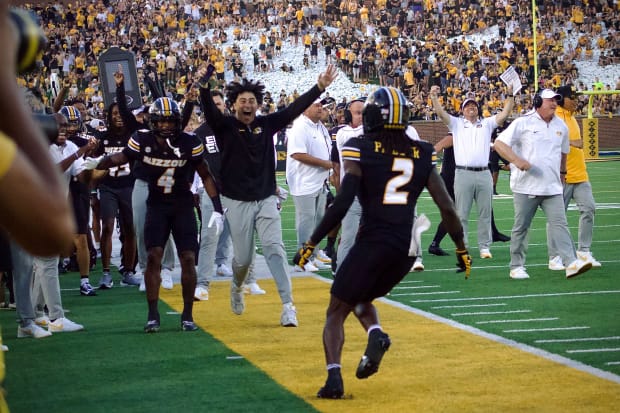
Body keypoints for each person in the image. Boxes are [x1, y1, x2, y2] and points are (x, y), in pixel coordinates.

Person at [294, 87, 471, 399]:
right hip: (407, 248)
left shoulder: (359, 146)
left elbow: (344, 200)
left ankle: (334, 379)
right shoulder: (422, 151)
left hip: (373, 241)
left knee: (335, 311)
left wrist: (312, 242)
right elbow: (447, 208)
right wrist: (461, 247)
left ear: (373, 116)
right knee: (361, 297)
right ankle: (375, 333)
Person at [198, 63, 338, 327]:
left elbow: (293, 109)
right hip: (236, 202)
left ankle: (288, 306)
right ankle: (237, 287)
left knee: (275, 249)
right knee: (243, 258)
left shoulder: (266, 124)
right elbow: (208, 110)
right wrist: (204, 87)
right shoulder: (225, 126)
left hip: (264, 199)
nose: (248, 105)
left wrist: (319, 87)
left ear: (258, 104)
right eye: (243, 101)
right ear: (234, 105)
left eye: (252, 101)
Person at [84, 97, 224, 332]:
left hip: (182, 205)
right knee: (153, 257)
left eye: (171, 122)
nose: (167, 126)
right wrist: (100, 162)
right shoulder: (142, 139)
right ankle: (152, 314)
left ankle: (188, 314)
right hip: (157, 204)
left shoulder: (190, 141)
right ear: (153, 121)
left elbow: (206, 174)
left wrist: (218, 208)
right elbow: (122, 157)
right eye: (163, 121)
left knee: (188, 258)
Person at [494, 89, 593, 280]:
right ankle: (516, 265)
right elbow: (499, 144)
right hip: (526, 186)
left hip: (552, 186)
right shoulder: (523, 122)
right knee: (521, 226)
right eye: (550, 101)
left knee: (560, 223)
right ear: (538, 101)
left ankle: (570, 262)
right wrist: (516, 160)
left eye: (556, 100)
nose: (555, 104)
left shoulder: (561, 126)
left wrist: (563, 173)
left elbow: (563, 152)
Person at [191, 89, 265, 300]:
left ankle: (250, 281)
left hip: (238, 192)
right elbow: (198, 164)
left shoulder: (238, 128)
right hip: (212, 190)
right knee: (208, 238)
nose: (217, 107)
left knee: (245, 239)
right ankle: (203, 284)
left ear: (226, 105)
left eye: (219, 103)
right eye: (212, 104)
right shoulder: (200, 133)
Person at [429, 85, 514, 259]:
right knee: (462, 213)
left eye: (473, 105)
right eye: (467, 106)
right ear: (462, 110)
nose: (471, 108)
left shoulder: (487, 123)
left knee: (484, 212)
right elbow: (441, 114)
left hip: (483, 173)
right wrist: (434, 96)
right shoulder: (457, 124)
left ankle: (484, 247)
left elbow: (505, 114)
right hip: (463, 173)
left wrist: (510, 94)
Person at [428, 133, 511, 256]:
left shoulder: (470, 139)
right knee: (454, 213)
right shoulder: (454, 136)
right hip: (451, 179)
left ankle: (494, 232)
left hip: (463, 178)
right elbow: (436, 148)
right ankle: (435, 244)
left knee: (485, 204)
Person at [547, 85, 601, 270]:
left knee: (589, 209)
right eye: (572, 97)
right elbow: (551, 140)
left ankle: (584, 251)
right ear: (561, 99)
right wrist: (572, 142)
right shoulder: (555, 118)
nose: (576, 100)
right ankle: (554, 257)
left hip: (580, 174)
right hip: (562, 176)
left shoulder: (571, 117)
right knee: (556, 217)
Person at [91, 90, 140, 289]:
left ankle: (128, 270)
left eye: (121, 114)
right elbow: (94, 164)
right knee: (108, 227)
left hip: (129, 185)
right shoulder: (102, 138)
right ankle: (105, 272)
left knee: (130, 229)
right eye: (115, 114)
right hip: (108, 186)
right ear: (109, 117)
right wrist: (93, 191)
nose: (118, 117)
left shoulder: (133, 135)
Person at [286, 97, 332, 272]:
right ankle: (302, 259)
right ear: (305, 108)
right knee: (306, 221)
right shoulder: (300, 127)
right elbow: (298, 154)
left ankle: (313, 254)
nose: (321, 108)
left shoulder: (320, 126)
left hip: (319, 181)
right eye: (317, 105)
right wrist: (325, 164)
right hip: (304, 181)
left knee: (318, 221)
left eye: (321, 105)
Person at [58, 105, 99, 296]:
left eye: (71, 124)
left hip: (74, 193)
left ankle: (84, 280)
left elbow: (82, 175)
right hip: (48, 197)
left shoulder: (75, 145)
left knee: (81, 235)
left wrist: (96, 167)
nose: (68, 129)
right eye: (64, 125)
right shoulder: (46, 144)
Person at [331, 98, 365, 272]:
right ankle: (341, 273)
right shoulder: (344, 133)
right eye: (358, 113)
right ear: (347, 115)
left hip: (370, 193)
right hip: (352, 193)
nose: (362, 116)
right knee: (348, 237)